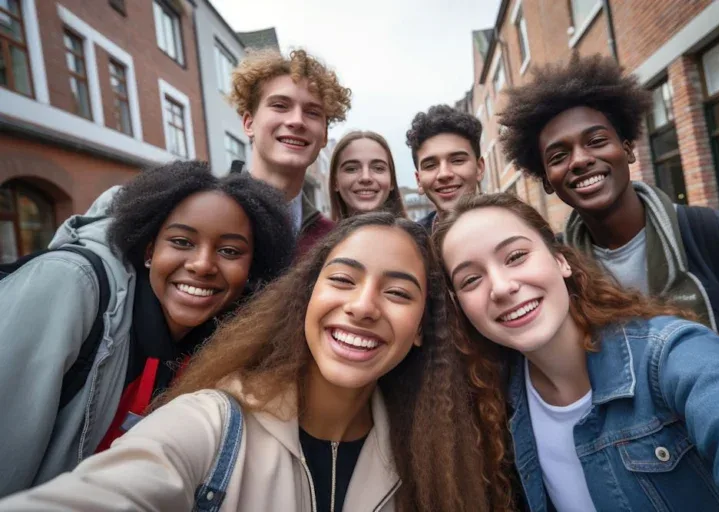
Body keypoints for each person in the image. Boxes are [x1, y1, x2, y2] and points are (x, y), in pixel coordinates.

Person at [0, 213, 512, 511]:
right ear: (306, 298)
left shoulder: (428, 453)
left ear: (421, 328)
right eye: (342, 280)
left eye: (398, 292)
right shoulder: (211, 423)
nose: (363, 306)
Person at [434, 192, 719, 512]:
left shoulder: (672, 354)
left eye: (516, 257)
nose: (501, 287)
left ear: (560, 260)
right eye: (471, 280)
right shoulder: (497, 406)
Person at [0, 161, 294, 498]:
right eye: (182, 241)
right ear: (150, 251)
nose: (202, 265)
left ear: (251, 266)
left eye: (229, 251)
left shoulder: (224, 337)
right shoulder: (69, 284)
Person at [498, 53, 719, 379]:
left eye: (596, 141)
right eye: (558, 156)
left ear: (627, 149)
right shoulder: (552, 273)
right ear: (546, 181)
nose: (580, 160)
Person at [229, 48, 352, 254]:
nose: (297, 121)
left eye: (312, 112)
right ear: (249, 123)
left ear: (324, 135)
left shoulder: (335, 244)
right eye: (280, 105)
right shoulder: (205, 215)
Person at [405, 104, 485, 233]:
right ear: (418, 180)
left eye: (457, 161)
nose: (444, 174)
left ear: (479, 168)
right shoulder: (411, 241)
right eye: (430, 165)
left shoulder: (513, 225)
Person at [328, 131, 406, 221]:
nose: (366, 177)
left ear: (392, 180)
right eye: (351, 169)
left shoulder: (415, 230)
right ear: (335, 182)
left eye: (378, 168)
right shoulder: (321, 230)